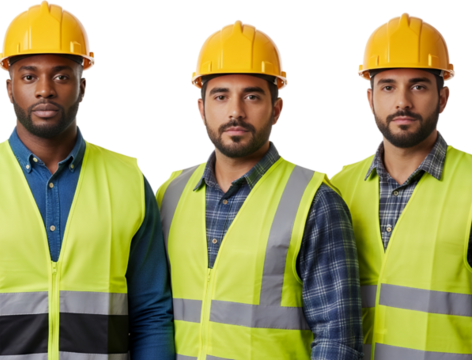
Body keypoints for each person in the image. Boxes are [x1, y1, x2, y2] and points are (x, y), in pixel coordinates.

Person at [0, 1, 175, 359]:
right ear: (9, 88)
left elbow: (152, 319)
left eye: (62, 75)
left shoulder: (129, 181)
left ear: (84, 87)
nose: (45, 90)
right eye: (29, 76)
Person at [330, 12, 472, 360]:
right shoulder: (337, 189)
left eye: (418, 85)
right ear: (369, 99)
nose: (402, 102)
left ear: (443, 98)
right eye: (388, 86)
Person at [155, 19, 363, 359]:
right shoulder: (169, 194)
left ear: (277, 109)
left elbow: (337, 338)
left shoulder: (315, 200)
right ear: (200, 109)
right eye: (221, 96)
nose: (235, 112)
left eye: (252, 96)